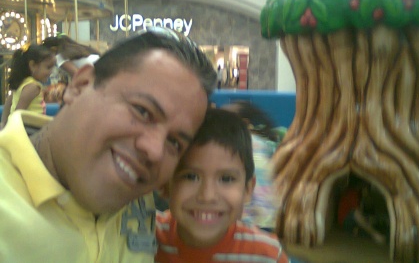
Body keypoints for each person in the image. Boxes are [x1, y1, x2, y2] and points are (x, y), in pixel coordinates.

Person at [0, 27, 217, 263]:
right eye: (142, 111)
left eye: (174, 142)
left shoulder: (140, 200)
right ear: (80, 85)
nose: (154, 151)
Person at [155, 108, 290, 262]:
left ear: (247, 189)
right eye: (191, 177)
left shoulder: (268, 256)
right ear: (164, 184)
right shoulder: (144, 236)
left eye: (226, 179)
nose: (207, 196)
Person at [222, 100, 281, 231]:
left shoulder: (247, 145)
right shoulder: (264, 143)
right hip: (270, 217)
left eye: (225, 120)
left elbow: (258, 187)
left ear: (244, 124)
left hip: (256, 218)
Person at [0, 44, 55, 128]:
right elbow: (18, 112)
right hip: (29, 128)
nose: (51, 72)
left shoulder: (22, 83)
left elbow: (8, 103)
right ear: (32, 65)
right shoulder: (33, 87)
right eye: (48, 67)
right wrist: (8, 126)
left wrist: (3, 122)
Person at [337, 174, 386, 245]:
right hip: (345, 221)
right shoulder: (352, 193)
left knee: (373, 219)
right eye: (365, 186)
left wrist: (364, 197)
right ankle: (375, 234)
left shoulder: (358, 195)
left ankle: (359, 231)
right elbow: (357, 213)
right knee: (358, 215)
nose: (366, 188)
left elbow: (364, 210)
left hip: (352, 222)